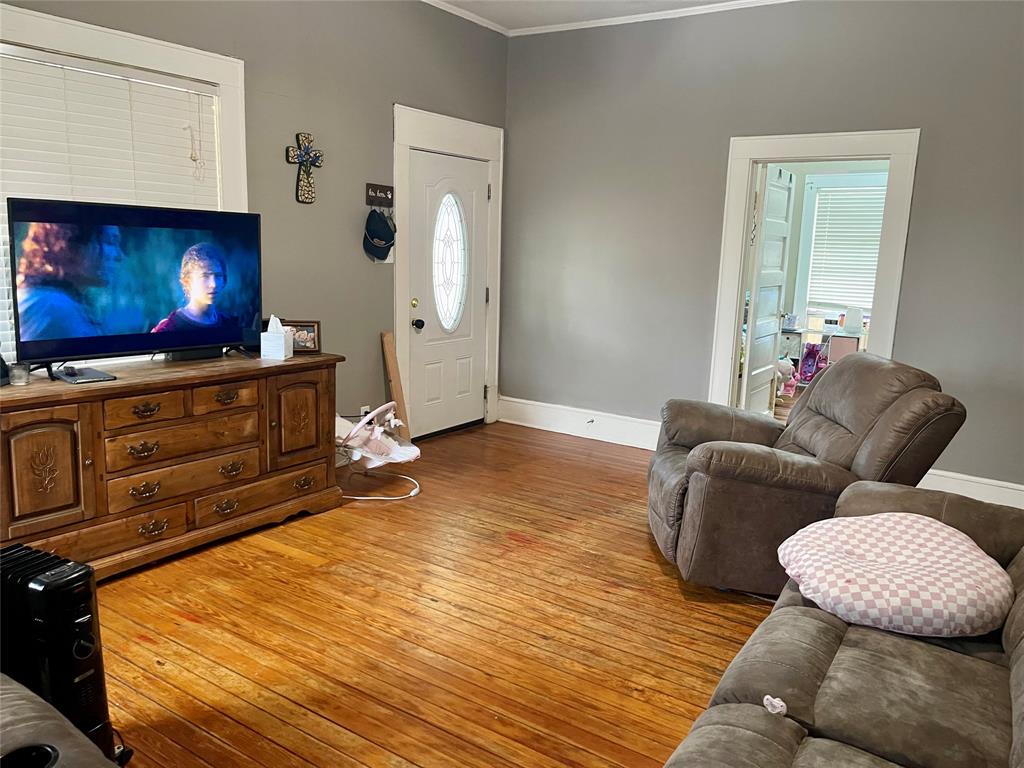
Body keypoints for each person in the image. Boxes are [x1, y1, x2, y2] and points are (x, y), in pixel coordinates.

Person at [16, 223, 123, 341]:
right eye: (110, 242)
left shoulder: (58, 301)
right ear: (71, 245)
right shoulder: (51, 306)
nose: (119, 256)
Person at [151, 242, 237, 333]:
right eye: (205, 276)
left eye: (218, 275)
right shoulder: (169, 328)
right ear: (187, 281)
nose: (214, 284)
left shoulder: (229, 324)